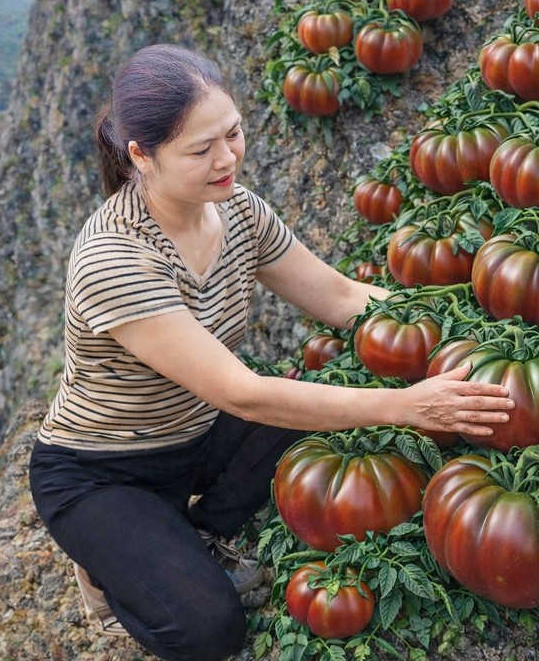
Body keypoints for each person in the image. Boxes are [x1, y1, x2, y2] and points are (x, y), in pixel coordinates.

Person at [28, 44, 513, 661]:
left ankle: (190, 532)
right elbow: (241, 392)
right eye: (201, 150)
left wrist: (457, 315)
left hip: (201, 433)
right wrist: (408, 406)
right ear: (141, 157)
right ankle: (110, 562)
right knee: (208, 632)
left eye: (233, 134)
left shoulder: (236, 208)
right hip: (103, 470)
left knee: (322, 394)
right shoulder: (115, 259)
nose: (227, 158)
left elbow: (339, 297)